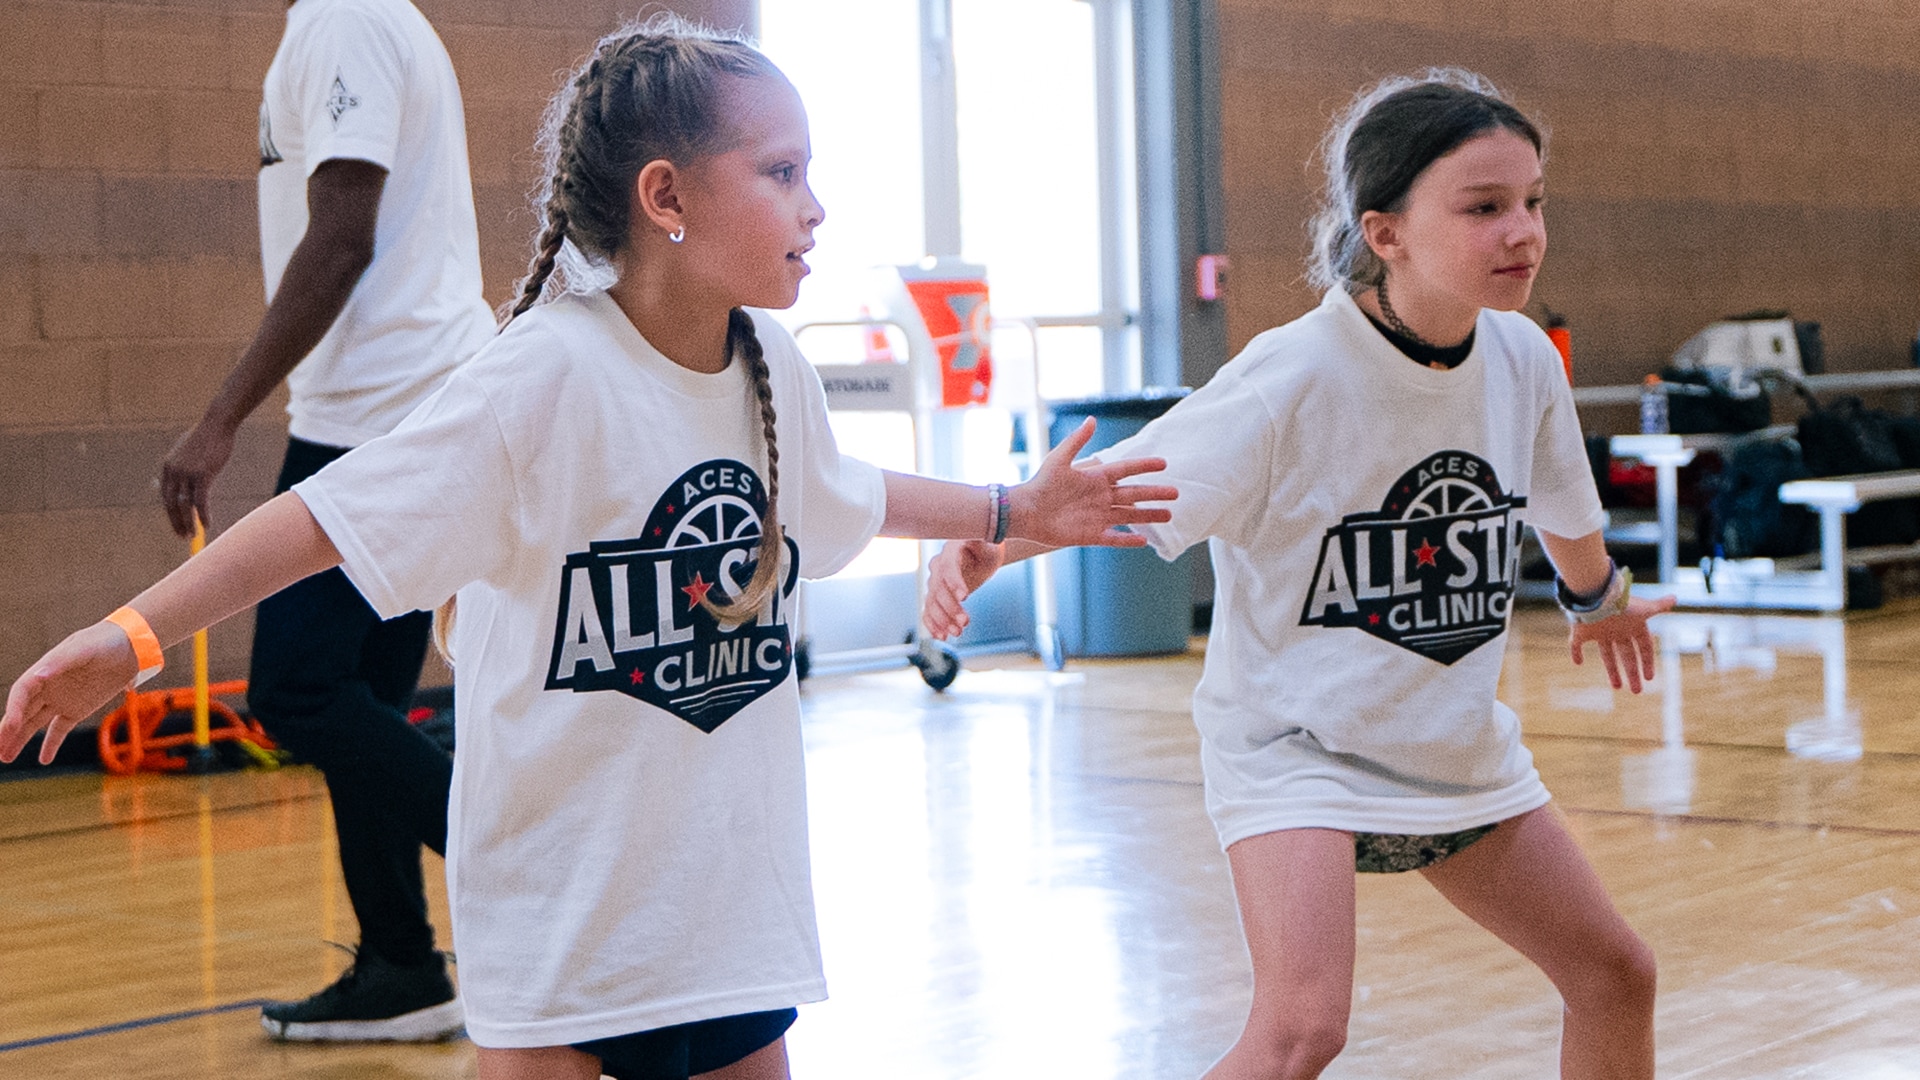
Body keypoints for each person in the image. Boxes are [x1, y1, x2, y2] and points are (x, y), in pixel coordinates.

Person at [0, 16, 1175, 1080]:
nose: (814, 205)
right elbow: (322, 521)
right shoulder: (540, 380)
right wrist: (134, 634)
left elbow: (849, 493)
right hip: (558, 930)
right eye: (781, 173)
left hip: (725, 925)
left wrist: (1011, 513)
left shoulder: (775, 373)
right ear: (666, 195)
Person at [922, 70, 1673, 1080]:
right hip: (1296, 745)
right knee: (1302, 1029)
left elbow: (1561, 503)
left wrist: (1600, 599)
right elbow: (1120, 490)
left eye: (1533, 202)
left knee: (1616, 975)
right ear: (1388, 231)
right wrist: (992, 538)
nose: (1523, 233)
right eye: (1484, 208)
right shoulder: (1293, 377)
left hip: (1447, 740)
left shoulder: (1525, 356)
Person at [154, 0, 496, 1043]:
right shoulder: (351, 20)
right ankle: (401, 960)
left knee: (298, 690)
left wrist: (219, 420)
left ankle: (528, 873)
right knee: (363, 705)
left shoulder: (351, 17)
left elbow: (343, 236)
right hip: (400, 406)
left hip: (387, 416)